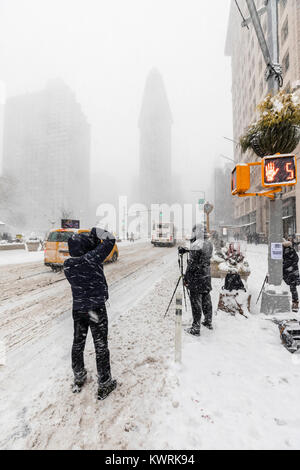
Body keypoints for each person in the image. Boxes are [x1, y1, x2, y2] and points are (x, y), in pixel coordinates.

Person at [64, 227, 117, 400]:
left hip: (79, 310)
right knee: (100, 344)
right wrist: (96, 231)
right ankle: (105, 382)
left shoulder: (69, 265)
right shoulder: (91, 259)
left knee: (78, 343)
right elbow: (110, 240)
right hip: (94, 310)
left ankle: (79, 375)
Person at [183, 225, 213, 336]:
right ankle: (208, 321)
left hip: (196, 277)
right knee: (206, 299)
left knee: (196, 302)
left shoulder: (196, 244)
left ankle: (196, 327)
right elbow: (201, 255)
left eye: (194, 231)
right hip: (206, 275)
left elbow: (192, 263)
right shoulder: (208, 243)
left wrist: (186, 276)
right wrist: (188, 249)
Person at [282, 238, 300, 313]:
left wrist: (285, 265)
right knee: (292, 287)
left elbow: (295, 259)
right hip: (292, 271)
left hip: (290, 271)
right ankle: (294, 303)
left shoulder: (288, 250)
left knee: (292, 287)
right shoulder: (290, 249)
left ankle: (295, 303)